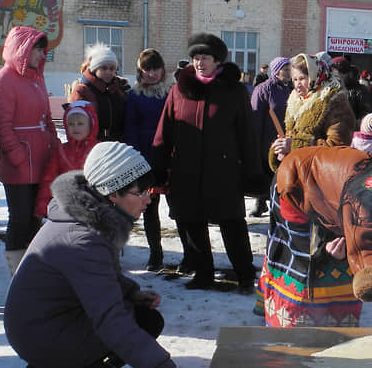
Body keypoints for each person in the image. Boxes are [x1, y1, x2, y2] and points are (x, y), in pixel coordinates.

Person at [5, 142, 196, 368]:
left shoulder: (84, 221)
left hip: (40, 325)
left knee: (139, 316)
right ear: (112, 195)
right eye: (140, 191)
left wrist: (130, 292)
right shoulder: (84, 239)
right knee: (141, 323)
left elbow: (93, 278)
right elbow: (109, 318)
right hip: (40, 335)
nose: (148, 199)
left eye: (149, 191)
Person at [257, 146, 372, 338]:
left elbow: (363, 238)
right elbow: (364, 248)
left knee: (341, 257)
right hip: (296, 182)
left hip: (330, 195)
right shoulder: (368, 196)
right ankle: (292, 326)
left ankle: (334, 322)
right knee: (303, 259)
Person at [152, 32, 260, 293]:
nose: (199, 63)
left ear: (218, 61)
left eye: (205, 58)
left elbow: (247, 134)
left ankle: (244, 274)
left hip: (223, 172)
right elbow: (164, 130)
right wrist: (158, 167)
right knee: (191, 222)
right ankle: (203, 273)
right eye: (195, 57)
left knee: (231, 223)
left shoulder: (233, 91)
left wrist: (252, 173)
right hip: (185, 170)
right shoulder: (180, 89)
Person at [0, 26, 58, 274]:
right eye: (38, 49)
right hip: (19, 164)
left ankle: (32, 272)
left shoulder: (37, 78)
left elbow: (47, 116)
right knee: (20, 220)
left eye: (43, 50)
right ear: (22, 48)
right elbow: (2, 126)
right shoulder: (4, 79)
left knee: (36, 218)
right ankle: (16, 271)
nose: (42, 55)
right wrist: (18, 158)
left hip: (42, 159)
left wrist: (55, 145)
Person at [124, 48, 174, 272]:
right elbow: (131, 128)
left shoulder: (172, 91)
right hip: (145, 158)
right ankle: (156, 255)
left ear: (162, 69)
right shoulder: (134, 95)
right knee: (150, 209)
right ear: (140, 71)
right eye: (147, 69)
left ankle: (192, 255)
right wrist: (137, 158)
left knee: (179, 209)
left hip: (171, 157)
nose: (152, 74)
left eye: (155, 69)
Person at [268, 53, 355, 170]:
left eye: (302, 78)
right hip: (297, 172)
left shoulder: (334, 100)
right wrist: (280, 148)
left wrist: (295, 145)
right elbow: (292, 136)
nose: (297, 85)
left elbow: (338, 147)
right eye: (294, 80)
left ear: (315, 76)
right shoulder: (295, 101)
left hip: (321, 177)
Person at [33, 101, 99, 219]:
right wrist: (43, 206)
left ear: (91, 124)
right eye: (71, 124)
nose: (75, 127)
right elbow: (49, 179)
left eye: (80, 123)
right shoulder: (60, 151)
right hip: (66, 205)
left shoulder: (98, 150)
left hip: (95, 206)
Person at [250, 56, 292, 217]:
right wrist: (255, 141)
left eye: (290, 69)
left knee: (280, 174)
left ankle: (276, 205)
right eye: (286, 69)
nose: (289, 73)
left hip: (284, 139)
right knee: (265, 171)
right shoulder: (263, 89)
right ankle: (260, 202)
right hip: (266, 139)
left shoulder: (290, 88)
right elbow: (256, 116)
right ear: (277, 71)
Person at [70, 43, 128, 141]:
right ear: (95, 69)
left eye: (112, 68)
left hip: (117, 144)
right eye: (104, 68)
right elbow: (75, 122)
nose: (108, 72)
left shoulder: (119, 89)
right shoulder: (83, 90)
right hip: (92, 144)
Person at [333, 56, 372, 125]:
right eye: (333, 72)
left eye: (341, 72)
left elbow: (367, 114)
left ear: (347, 73)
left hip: (352, 133)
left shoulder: (360, 91)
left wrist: (350, 127)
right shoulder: (329, 89)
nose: (337, 75)